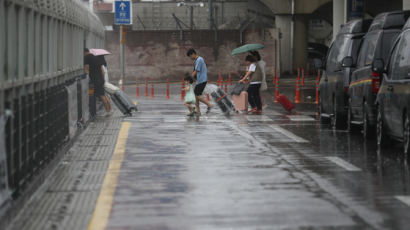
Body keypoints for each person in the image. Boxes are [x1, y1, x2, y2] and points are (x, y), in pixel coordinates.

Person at [84, 48, 112, 116]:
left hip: (95, 80)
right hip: (100, 79)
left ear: (84, 52)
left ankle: (108, 111)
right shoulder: (96, 58)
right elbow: (102, 70)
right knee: (104, 94)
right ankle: (109, 109)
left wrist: (86, 75)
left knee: (101, 95)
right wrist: (103, 79)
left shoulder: (87, 58)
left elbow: (86, 69)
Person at [186, 49, 212, 116]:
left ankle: (209, 105)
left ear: (193, 54)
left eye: (190, 56)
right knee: (196, 96)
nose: (190, 58)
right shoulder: (198, 60)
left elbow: (196, 71)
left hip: (202, 80)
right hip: (200, 80)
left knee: (197, 95)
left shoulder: (199, 60)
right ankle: (198, 112)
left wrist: (189, 78)